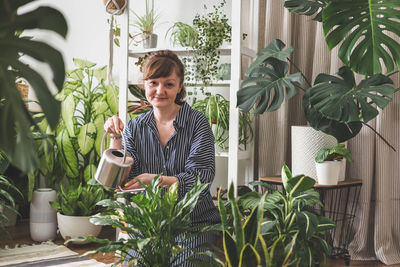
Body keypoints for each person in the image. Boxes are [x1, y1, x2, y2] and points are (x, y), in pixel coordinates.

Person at [103, 50, 220, 266]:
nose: (160, 90)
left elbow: (200, 180)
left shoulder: (197, 123)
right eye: (153, 82)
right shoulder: (135, 127)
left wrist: (155, 181)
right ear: (144, 84)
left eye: (169, 84)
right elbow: (121, 181)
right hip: (151, 224)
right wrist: (116, 138)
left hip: (193, 224)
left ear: (180, 86)